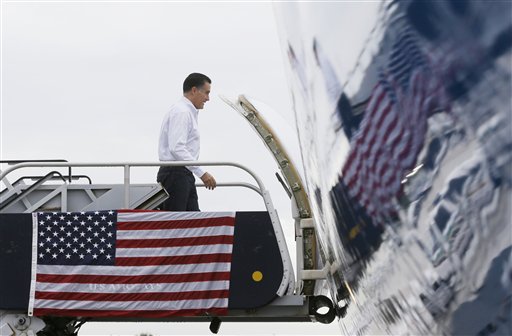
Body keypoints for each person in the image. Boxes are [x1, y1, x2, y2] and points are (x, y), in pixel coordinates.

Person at [157, 72, 217, 211]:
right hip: (175, 173)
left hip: (183, 173)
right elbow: (177, 148)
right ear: (194, 90)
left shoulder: (185, 111)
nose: (208, 98)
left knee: (191, 222)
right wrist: (202, 173)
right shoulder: (182, 112)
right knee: (178, 224)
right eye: (206, 93)